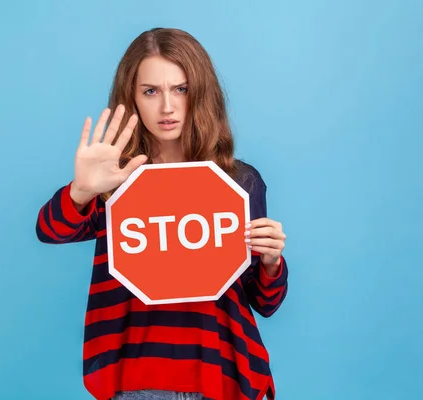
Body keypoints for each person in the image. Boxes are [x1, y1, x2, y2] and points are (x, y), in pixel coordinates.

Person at [36, 27, 288, 400]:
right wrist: (82, 190)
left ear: (200, 93)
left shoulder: (238, 181)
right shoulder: (116, 178)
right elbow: (50, 230)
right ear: (132, 98)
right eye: (151, 91)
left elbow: (264, 302)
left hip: (223, 375)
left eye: (180, 89)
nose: (167, 107)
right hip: (138, 377)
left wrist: (271, 263)